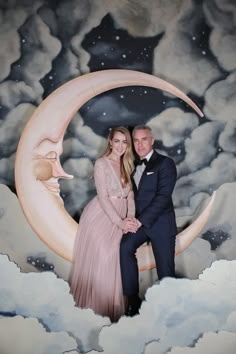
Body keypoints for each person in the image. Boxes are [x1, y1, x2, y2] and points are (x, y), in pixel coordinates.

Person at [69, 126, 138, 322]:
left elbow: (130, 194)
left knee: (119, 256)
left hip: (124, 215)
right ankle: (96, 310)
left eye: (125, 142)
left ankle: (112, 311)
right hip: (103, 215)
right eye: (117, 141)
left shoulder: (127, 163)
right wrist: (120, 222)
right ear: (110, 142)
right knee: (106, 255)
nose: (121, 146)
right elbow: (103, 197)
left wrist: (130, 217)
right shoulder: (101, 163)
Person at [120, 125, 177, 316]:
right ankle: (132, 300)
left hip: (161, 223)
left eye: (144, 139)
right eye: (136, 140)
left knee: (165, 269)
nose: (140, 144)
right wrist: (130, 219)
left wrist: (140, 221)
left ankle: (169, 309)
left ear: (152, 141)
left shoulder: (165, 163)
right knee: (125, 247)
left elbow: (163, 197)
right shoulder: (133, 165)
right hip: (141, 224)